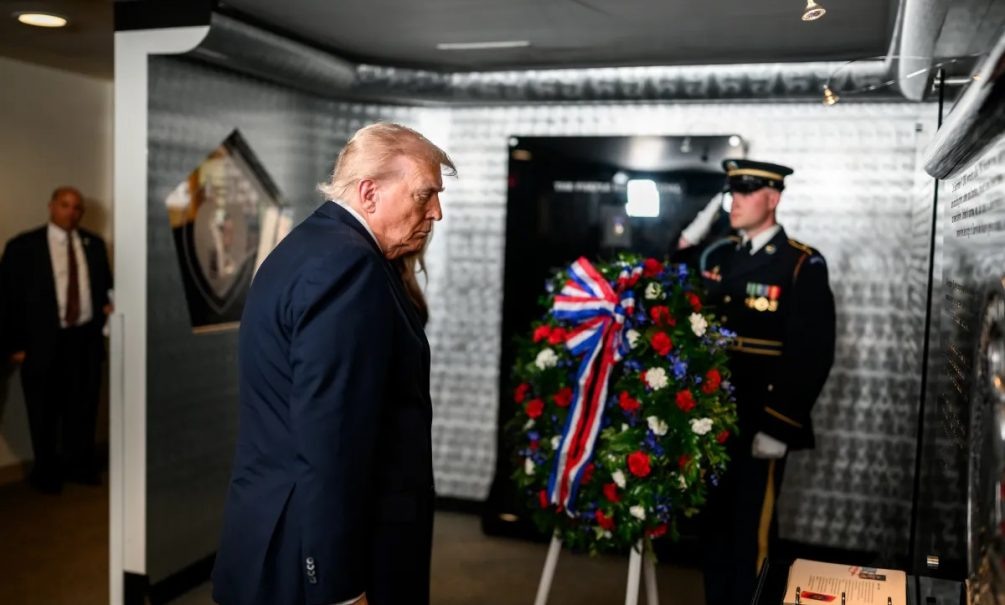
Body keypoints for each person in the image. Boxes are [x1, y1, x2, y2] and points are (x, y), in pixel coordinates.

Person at [212, 123, 454, 605]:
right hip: (311, 554)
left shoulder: (315, 247)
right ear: (369, 192)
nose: (436, 212)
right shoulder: (348, 267)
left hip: (284, 530)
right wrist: (339, 587)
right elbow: (331, 439)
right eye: (425, 194)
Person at [694, 159, 836, 605]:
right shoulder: (722, 255)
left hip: (760, 420)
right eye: (731, 193)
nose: (733, 201)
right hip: (715, 421)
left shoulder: (800, 263)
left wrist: (779, 423)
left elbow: (811, 352)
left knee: (751, 532)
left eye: (745, 192)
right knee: (713, 527)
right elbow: (673, 262)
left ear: (772, 198)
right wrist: (697, 227)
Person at [0, 186, 113, 493]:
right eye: (65, 205)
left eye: (77, 207)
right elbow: (7, 298)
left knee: (83, 407)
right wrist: (14, 345)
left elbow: (106, 288)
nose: (71, 212)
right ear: (51, 206)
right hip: (42, 343)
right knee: (43, 410)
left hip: (85, 341)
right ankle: (46, 472)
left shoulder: (94, 244)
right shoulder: (23, 247)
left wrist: (108, 309)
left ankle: (80, 466)